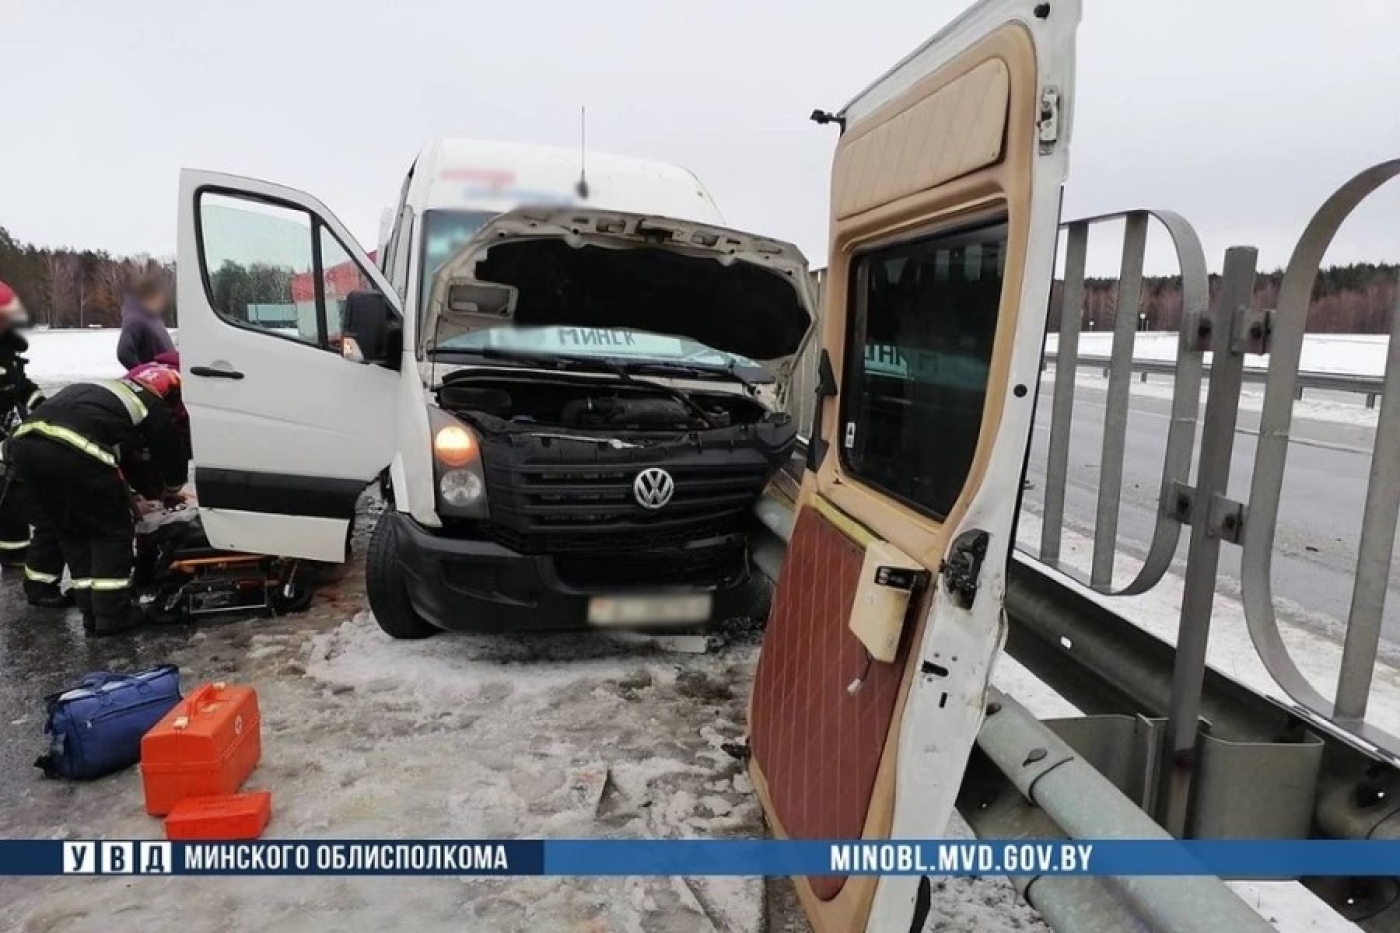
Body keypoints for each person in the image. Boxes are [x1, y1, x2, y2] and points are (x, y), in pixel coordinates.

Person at [6, 363, 188, 635]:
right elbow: (169, 451)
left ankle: (90, 610)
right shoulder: (152, 403)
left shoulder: (106, 390)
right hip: (72, 448)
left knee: (73, 530)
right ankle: (113, 614)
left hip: (24, 448)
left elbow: (127, 461)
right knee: (111, 531)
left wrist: (145, 491)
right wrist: (171, 488)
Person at [0, 280, 69, 608]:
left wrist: (45, 409)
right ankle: (31, 575)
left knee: (11, 503)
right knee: (37, 508)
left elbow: (22, 387)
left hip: (10, 439)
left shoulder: (7, 351)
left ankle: (14, 556)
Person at [116, 275, 175, 369]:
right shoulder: (135, 319)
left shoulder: (151, 316)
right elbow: (124, 353)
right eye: (158, 297)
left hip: (169, 374)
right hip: (156, 376)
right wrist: (144, 372)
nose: (162, 301)